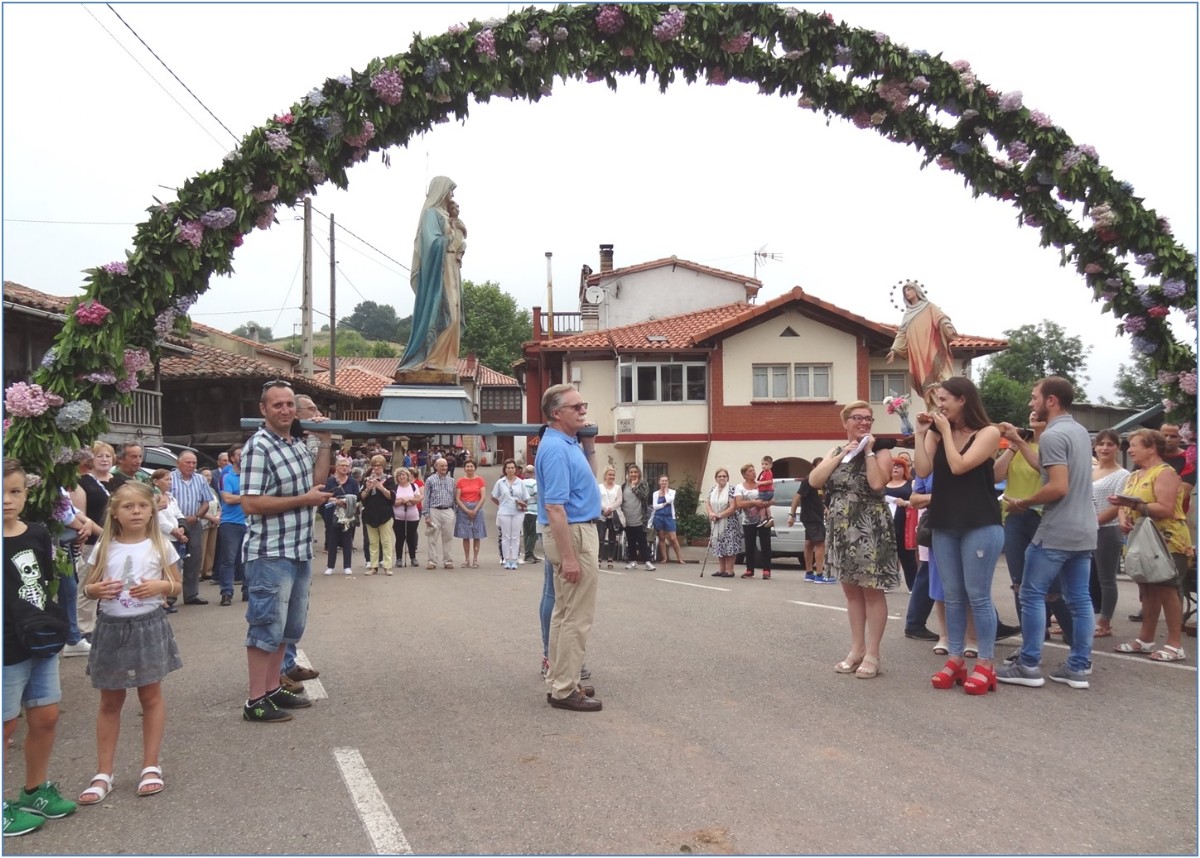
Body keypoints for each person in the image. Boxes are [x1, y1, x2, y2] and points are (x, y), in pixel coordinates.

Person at [77, 482, 183, 804]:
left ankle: (150, 765)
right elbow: (88, 587)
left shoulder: (161, 545)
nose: (136, 511)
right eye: (128, 506)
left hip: (148, 625)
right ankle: (103, 772)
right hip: (111, 628)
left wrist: (161, 585)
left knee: (150, 696)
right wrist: (94, 592)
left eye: (142, 506)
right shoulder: (104, 547)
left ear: (152, 510)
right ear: (115, 512)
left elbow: (176, 585)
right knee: (110, 701)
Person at [239, 380, 334, 723]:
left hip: (298, 549)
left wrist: (324, 443)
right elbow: (250, 502)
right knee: (264, 627)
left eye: (289, 405)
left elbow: (316, 484)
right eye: (277, 405)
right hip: (270, 552)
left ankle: (272, 688)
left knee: (287, 629)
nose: (285, 410)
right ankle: (254, 701)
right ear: (263, 410)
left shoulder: (294, 444)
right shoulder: (258, 447)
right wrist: (303, 501)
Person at [995, 377, 1098, 690]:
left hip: (1057, 529)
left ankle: (1028, 664)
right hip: (1085, 528)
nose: (1030, 403)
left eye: (1034, 397)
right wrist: (1020, 441)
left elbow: (1057, 485)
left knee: (1031, 594)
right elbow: (1048, 466)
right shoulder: (1078, 430)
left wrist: (1023, 502)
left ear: (1051, 400)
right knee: (1079, 599)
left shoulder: (1054, 434)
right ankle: (1078, 667)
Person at [915, 377, 1003, 696]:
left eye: (944, 399)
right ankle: (955, 659)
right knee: (951, 596)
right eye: (937, 400)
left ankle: (986, 663)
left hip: (980, 522)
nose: (939, 405)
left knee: (977, 595)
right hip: (945, 521)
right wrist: (922, 435)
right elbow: (923, 471)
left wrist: (947, 433)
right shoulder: (939, 433)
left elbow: (960, 465)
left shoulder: (989, 433)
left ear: (963, 399)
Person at [3, 459, 77, 835]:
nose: (6, 501)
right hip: (5, 647)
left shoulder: (34, 533)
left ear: (26, 493)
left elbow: (46, 583)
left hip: (39, 640)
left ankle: (33, 789)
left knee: (45, 716)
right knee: (4, 724)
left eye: (14, 492)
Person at [808, 401, 898, 679]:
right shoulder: (836, 450)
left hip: (869, 526)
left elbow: (877, 484)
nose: (864, 422)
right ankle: (856, 648)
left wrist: (867, 451)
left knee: (871, 590)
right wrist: (841, 455)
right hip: (842, 528)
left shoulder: (882, 451)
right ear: (845, 422)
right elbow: (814, 480)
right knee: (851, 591)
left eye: (868, 418)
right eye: (857, 418)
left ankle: (873, 653)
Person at [536, 384, 603, 712]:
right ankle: (565, 689)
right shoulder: (556, 449)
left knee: (564, 614)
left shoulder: (566, 443)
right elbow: (555, 508)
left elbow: (584, 484)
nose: (582, 410)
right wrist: (568, 557)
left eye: (583, 404)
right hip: (573, 533)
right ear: (555, 414)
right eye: (575, 407)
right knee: (576, 616)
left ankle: (562, 681)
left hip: (576, 530)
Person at [1110, 428, 1192, 662]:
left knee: (1167, 588)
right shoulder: (1135, 475)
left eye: (1135, 445)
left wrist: (1133, 506)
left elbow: (1165, 508)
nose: (1130, 450)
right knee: (1147, 589)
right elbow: (1125, 504)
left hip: (1167, 540)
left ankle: (1175, 644)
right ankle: (1145, 639)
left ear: (1151, 448)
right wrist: (1123, 515)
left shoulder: (1165, 473)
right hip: (1142, 538)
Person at [993, 414, 1074, 646]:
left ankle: (1071, 630)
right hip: (1014, 516)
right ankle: (1032, 635)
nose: (1032, 416)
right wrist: (1011, 447)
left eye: (1039, 415)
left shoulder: (1052, 446)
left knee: (1051, 581)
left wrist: (1020, 442)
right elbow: (995, 476)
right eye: (1030, 416)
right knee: (1019, 580)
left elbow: (1043, 469)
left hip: (1041, 516)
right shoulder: (1018, 447)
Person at [398, 176, 463, 373]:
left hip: (451, 269)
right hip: (439, 273)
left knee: (455, 316)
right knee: (446, 316)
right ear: (442, 191)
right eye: (451, 190)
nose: (452, 195)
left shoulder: (447, 215)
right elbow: (432, 243)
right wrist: (448, 239)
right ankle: (430, 359)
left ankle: (444, 361)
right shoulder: (431, 214)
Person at [886, 280, 958, 407]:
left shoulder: (929, 306)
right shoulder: (907, 314)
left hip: (931, 347)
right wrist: (894, 349)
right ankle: (933, 408)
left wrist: (947, 326)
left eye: (909, 289)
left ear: (916, 290)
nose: (907, 293)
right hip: (918, 352)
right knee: (925, 381)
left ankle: (949, 403)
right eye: (905, 291)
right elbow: (902, 332)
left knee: (942, 377)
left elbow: (941, 318)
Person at [1089, 430, 1129, 637]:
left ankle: (1105, 621)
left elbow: (1118, 505)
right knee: (1084, 577)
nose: (1104, 448)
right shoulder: (1090, 470)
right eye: (1101, 443)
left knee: (1106, 578)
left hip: (1107, 530)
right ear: (1095, 446)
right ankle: (1083, 617)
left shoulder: (1123, 475)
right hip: (1085, 530)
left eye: (1110, 444)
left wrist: (1094, 522)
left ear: (1118, 448)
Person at [169, 451, 216, 607]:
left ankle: (191, 594)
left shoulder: (201, 479)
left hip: (194, 523)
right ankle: (170, 596)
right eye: (187, 462)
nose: (191, 466)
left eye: (194, 463)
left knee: (194, 558)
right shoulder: (170, 478)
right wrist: (179, 520)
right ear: (178, 463)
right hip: (173, 524)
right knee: (172, 560)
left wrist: (196, 517)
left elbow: (206, 502)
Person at [150, 469, 187, 614]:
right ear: (156, 482)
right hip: (164, 537)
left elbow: (178, 513)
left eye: (170, 479)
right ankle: (162, 601)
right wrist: (175, 531)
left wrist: (182, 527)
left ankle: (166, 599)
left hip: (175, 537)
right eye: (166, 479)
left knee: (173, 570)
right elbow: (160, 520)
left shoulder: (171, 497)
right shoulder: (155, 497)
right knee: (162, 571)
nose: (169, 482)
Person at [215, 445, 246, 606]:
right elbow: (227, 498)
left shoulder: (250, 475)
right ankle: (226, 592)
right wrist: (249, 497)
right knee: (229, 559)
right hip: (231, 523)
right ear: (233, 458)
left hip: (250, 522)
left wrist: (239, 497)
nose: (243, 456)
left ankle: (247, 590)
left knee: (248, 559)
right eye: (240, 454)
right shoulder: (227, 476)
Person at [790, 459, 830, 583]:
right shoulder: (809, 480)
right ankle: (819, 575)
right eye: (819, 466)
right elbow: (797, 496)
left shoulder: (821, 481)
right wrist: (791, 514)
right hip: (811, 517)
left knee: (810, 543)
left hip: (816, 516)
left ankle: (809, 573)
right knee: (820, 543)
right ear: (813, 467)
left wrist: (825, 507)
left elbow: (817, 498)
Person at [884, 457, 919, 591]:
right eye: (893, 466)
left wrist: (905, 503)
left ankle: (913, 586)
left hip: (905, 525)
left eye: (899, 466)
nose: (895, 468)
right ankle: (889, 583)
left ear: (904, 469)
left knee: (908, 557)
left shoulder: (911, 484)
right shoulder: (883, 484)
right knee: (888, 555)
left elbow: (917, 501)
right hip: (887, 525)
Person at [321, 457, 360, 577]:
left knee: (347, 540)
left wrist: (346, 501)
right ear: (336, 467)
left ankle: (347, 566)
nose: (344, 468)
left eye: (346, 466)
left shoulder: (353, 482)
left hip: (347, 514)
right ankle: (330, 566)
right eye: (342, 465)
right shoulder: (330, 481)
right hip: (332, 513)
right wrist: (334, 500)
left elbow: (357, 497)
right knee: (332, 540)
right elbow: (325, 495)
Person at [359, 455, 396, 576]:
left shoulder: (389, 479)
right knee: (373, 542)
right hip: (370, 514)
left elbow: (392, 497)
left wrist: (381, 487)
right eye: (374, 465)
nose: (376, 468)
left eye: (379, 465)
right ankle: (373, 566)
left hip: (385, 514)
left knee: (386, 542)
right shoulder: (367, 480)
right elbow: (362, 498)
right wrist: (368, 489)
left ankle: (387, 566)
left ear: (383, 466)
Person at [734, 464, 772, 579]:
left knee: (766, 544)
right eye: (750, 471)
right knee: (749, 545)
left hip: (763, 519)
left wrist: (766, 503)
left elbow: (771, 498)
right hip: (748, 520)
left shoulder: (760, 485)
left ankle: (766, 570)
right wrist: (754, 503)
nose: (754, 472)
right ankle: (750, 569)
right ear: (744, 474)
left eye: (754, 470)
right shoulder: (740, 487)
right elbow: (739, 503)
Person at [491, 459, 529, 570]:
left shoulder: (520, 482)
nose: (510, 470)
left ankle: (514, 559)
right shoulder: (500, 482)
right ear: (505, 470)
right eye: (508, 468)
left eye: (512, 468)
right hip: (504, 512)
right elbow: (493, 496)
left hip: (517, 512)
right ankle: (507, 559)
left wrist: (522, 504)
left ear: (516, 469)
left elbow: (526, 497)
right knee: (506, 536)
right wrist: (501, 505)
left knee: (516, 536)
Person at [704, 467, 743, 577]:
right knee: (719, 544)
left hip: (729, 522)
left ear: (727, 478)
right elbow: (708, 504)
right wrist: (711, 513)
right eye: (719, 476)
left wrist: (720, 515)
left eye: (724, 476)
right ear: (716, 478)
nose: (722, 478)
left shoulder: (732, 490)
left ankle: (730, 570)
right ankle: (721, 569)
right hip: (716, 521)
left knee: (729, 545)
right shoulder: (712, 490)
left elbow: (733, 507)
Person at [422, 458, 457, 569]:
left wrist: (453, 511)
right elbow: (426, 498)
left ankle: (448, 561)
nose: (444, 468)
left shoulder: (451, 480)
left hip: (448, 510)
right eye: (442, 466)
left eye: (446, 466)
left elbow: (454, 497)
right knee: (432, 537)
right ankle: (432, 561)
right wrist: (426, 515)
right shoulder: (430, 480)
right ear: (436, 467)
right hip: (434, 510)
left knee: (448, 537)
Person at [620, 465, 654, 571]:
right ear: (628, 474)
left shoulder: (643, 484)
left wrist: (634, 487)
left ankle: (648, 562)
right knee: (630, 541)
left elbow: (644, 496)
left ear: (639, 473)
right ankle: (633, 561)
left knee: (642, 540)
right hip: (627, 517)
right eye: (631, 472)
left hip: (640, 518)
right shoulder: (624, 486)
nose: (633, 474)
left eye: (635, 472)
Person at [652, 474, 685, 564]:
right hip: (658, 517)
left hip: (670, 517)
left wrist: (666, 492)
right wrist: (663, 504)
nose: (664, 482)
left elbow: (670, 501)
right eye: (662, 481)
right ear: (659, 482)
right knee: (661, 537)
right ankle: (664, 558)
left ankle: (680, 558)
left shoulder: (672, 492)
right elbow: (655, 506)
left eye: (666, 481)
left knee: (673, 538)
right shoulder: (655, 493)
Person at [391, 468, 422, 568]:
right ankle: (399, 558)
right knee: (399, 538)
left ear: (408, 476)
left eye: (403, 475)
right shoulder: (395, 488)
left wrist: (410, 500)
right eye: (399, 475)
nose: (401, 477)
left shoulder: (414, 486)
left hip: (412, 516)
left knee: (411, 537)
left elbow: (417, 499)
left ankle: (413, 558)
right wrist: (402, 501)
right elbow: (393, 502)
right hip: (398, 517)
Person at [596, 467, 622, 570]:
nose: (611, 477)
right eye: (610, 474)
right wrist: (605, 508)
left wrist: (610, 508)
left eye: (613, 475)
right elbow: (597, 499)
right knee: (600, 537)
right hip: (601, 515)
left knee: (612, 538)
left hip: (613, 515)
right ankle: (599, 558)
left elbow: (619, 500)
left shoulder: (618, 487)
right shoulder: (599, 487)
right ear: (605, 476)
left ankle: (610, 559)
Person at [522, 464, 541, 564]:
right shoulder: (534, 483)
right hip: (534, 511)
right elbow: (537, 495)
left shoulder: (521, 483)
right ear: (533, 473)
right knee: (533, 534)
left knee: (526, 533)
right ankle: (529, 553)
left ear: (525, 473)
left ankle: (528, 552)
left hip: (523, 511)